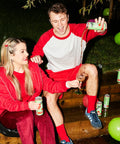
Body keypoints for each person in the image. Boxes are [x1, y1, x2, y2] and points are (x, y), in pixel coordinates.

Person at [30, 2, 107, 144]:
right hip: (55, 76)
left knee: (92, 68)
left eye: (62, 20)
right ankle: (65, 138)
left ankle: (90, 110)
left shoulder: (80, 30)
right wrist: (36, 58)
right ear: (50, 21)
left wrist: (102, 27)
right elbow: (35, 57)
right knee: (49, 99)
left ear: (68, 17)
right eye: (55, 21)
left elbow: (100, 31)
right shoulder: (45, 38)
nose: (59, 25)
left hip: (76, 71)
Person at [0, 38, 79, 144]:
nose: (27, 54)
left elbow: (49, 85)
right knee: (26, 116)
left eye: (26, 50)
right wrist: (28, 106)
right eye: (22, 51)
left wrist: (67, 84)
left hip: (31, 107)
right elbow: (8, 104)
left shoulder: (33, 67)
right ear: (11, 56)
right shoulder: (2, 76)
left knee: (43, 116)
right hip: (8, 114)